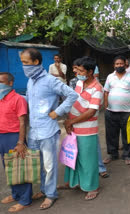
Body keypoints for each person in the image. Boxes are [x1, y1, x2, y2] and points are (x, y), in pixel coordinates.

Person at [20, 48, 78, 210]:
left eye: (26, 62)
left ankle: (51, 194)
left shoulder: (51, 80)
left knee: (49, 165)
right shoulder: (30, 81)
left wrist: (58, 111)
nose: (23, 66)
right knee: (37, 164)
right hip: (34, 131)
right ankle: (44, 190)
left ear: (36, 62)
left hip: (48, 131)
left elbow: (72, 95)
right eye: (22, 63)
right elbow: (31, 100)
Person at [63, 56, 103, 200]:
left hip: (87, 129)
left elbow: (91, 112)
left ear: (90, 71)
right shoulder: (80, 83)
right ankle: (75, 182)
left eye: (80, 70)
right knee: (74, 156)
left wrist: (71, 122)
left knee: (88, 159)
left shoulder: (97, 88)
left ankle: (93, 187)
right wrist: (69, 121)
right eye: (76, 69)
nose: (77, 73)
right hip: (74, 126)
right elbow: (72, 101)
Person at [0, 72, 32, 212]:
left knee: (20, 167)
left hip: (14, 136)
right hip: (2, 136)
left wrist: (20, 142)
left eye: (1, 82)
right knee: (9, 168)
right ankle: (15, 194)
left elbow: (22, 122)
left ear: (10, 83)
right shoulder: (1, 98)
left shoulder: (18, 99)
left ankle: (25, 199)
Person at [103, 55, 130, 165]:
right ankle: (112, 154)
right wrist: (106, 107)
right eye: (117, 64)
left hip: (127, 111)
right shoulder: (110, 76)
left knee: (127, 134)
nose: (119, 65)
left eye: (121, 63)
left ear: (125, 64)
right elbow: (106, 92)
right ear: (114, 65)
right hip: (111, 111)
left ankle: (127, 155)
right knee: (111, 134)